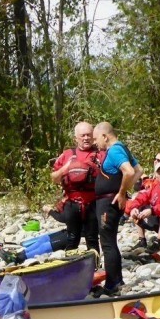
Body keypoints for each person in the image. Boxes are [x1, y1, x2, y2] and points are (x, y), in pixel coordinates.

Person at [90, 122, 140, 295]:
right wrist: (123, 191)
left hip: (107, 204)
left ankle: (112, 285)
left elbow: (130, 172)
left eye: (96, 138)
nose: (95, 143)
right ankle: (117, 280)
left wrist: (121, 192)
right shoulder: (122, 148)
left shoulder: (114, 150)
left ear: (105, 136)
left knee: (107, 243)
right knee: (111, 241)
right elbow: (138, 170)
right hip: (110, 201)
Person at [48, 121, 103, 250]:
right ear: (76, 138)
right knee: (72, 238)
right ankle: (71, 267)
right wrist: (66, 168)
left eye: (89, 135)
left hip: (93, 203)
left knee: (92, 238)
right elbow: (54, 179)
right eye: (83, 135)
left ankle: (94, 266)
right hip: (71, 203)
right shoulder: (67, 155)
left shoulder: (101, 153)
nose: (86, 138)